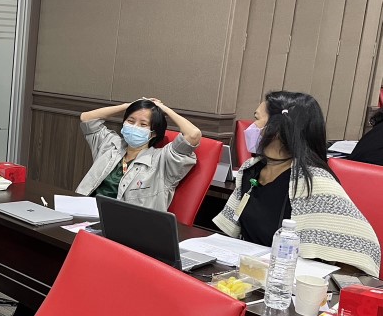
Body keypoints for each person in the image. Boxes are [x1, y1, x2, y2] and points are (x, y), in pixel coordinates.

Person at [214, 91, 380, 276]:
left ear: (278, 128)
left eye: (257, 119)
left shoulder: (314, 181)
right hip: (249, 271)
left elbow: (364, 248)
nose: (251, 127)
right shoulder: (251, 169)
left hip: (290, 279)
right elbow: (231, 228)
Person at [75, 97, 202, 211]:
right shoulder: (110, 144)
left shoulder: (163, 160)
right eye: (130, 121)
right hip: (86, 211)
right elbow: (86, 118)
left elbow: (193, 135)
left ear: (153, 133)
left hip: (126, 223)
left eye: (143, 124)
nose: (134, 127)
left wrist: (164, 109)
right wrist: (129, 105)